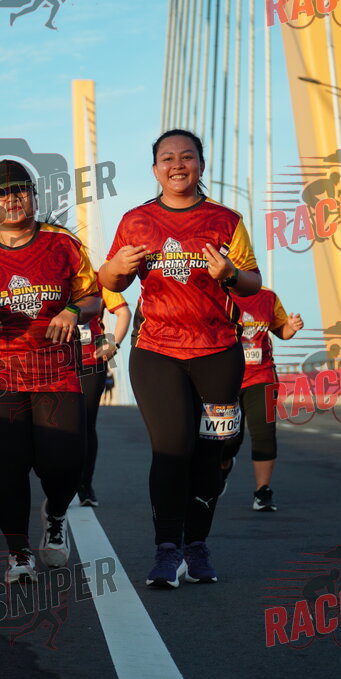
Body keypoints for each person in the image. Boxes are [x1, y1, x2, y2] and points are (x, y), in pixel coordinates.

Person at [99, 129, 262, 588]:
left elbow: (252, 283)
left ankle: (197, 545)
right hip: (157, 353)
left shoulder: (226, 220)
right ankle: (168, 550)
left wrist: (230, 273)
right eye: (167, 158)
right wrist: (117, 268)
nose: (177, 165)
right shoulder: (136, 221)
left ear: (200, 166)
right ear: (155, 170)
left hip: (218, 353)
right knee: (173, 449)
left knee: (212, 453)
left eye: (186, 157)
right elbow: (109, 279)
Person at [0, 159, 100, 584]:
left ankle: (56, 514)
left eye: (20, 190)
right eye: (2, 193)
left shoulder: (64, 244)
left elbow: (93, 297)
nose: (12, 199)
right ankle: (18, 553)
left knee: (64, 463)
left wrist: (72, 310)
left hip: (55, 372)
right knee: (7, 466)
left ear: (34, 195)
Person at [220, 289, 303, 511]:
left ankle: (262, 492)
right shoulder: (217, 290)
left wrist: (291, 327)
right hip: (225, 377)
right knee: (228, 439)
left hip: (262, 376)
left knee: (264, 433)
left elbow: (281, 330)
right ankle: (223, 465)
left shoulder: (268, 297)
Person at [77, 286, 131, 506]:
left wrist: (113, 344)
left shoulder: (100, 281)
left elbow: (124, 312)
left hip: (92, 362)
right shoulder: (52, 277)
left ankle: (85, 486)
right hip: (55, 362)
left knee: (86, 424)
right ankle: (61, 484)